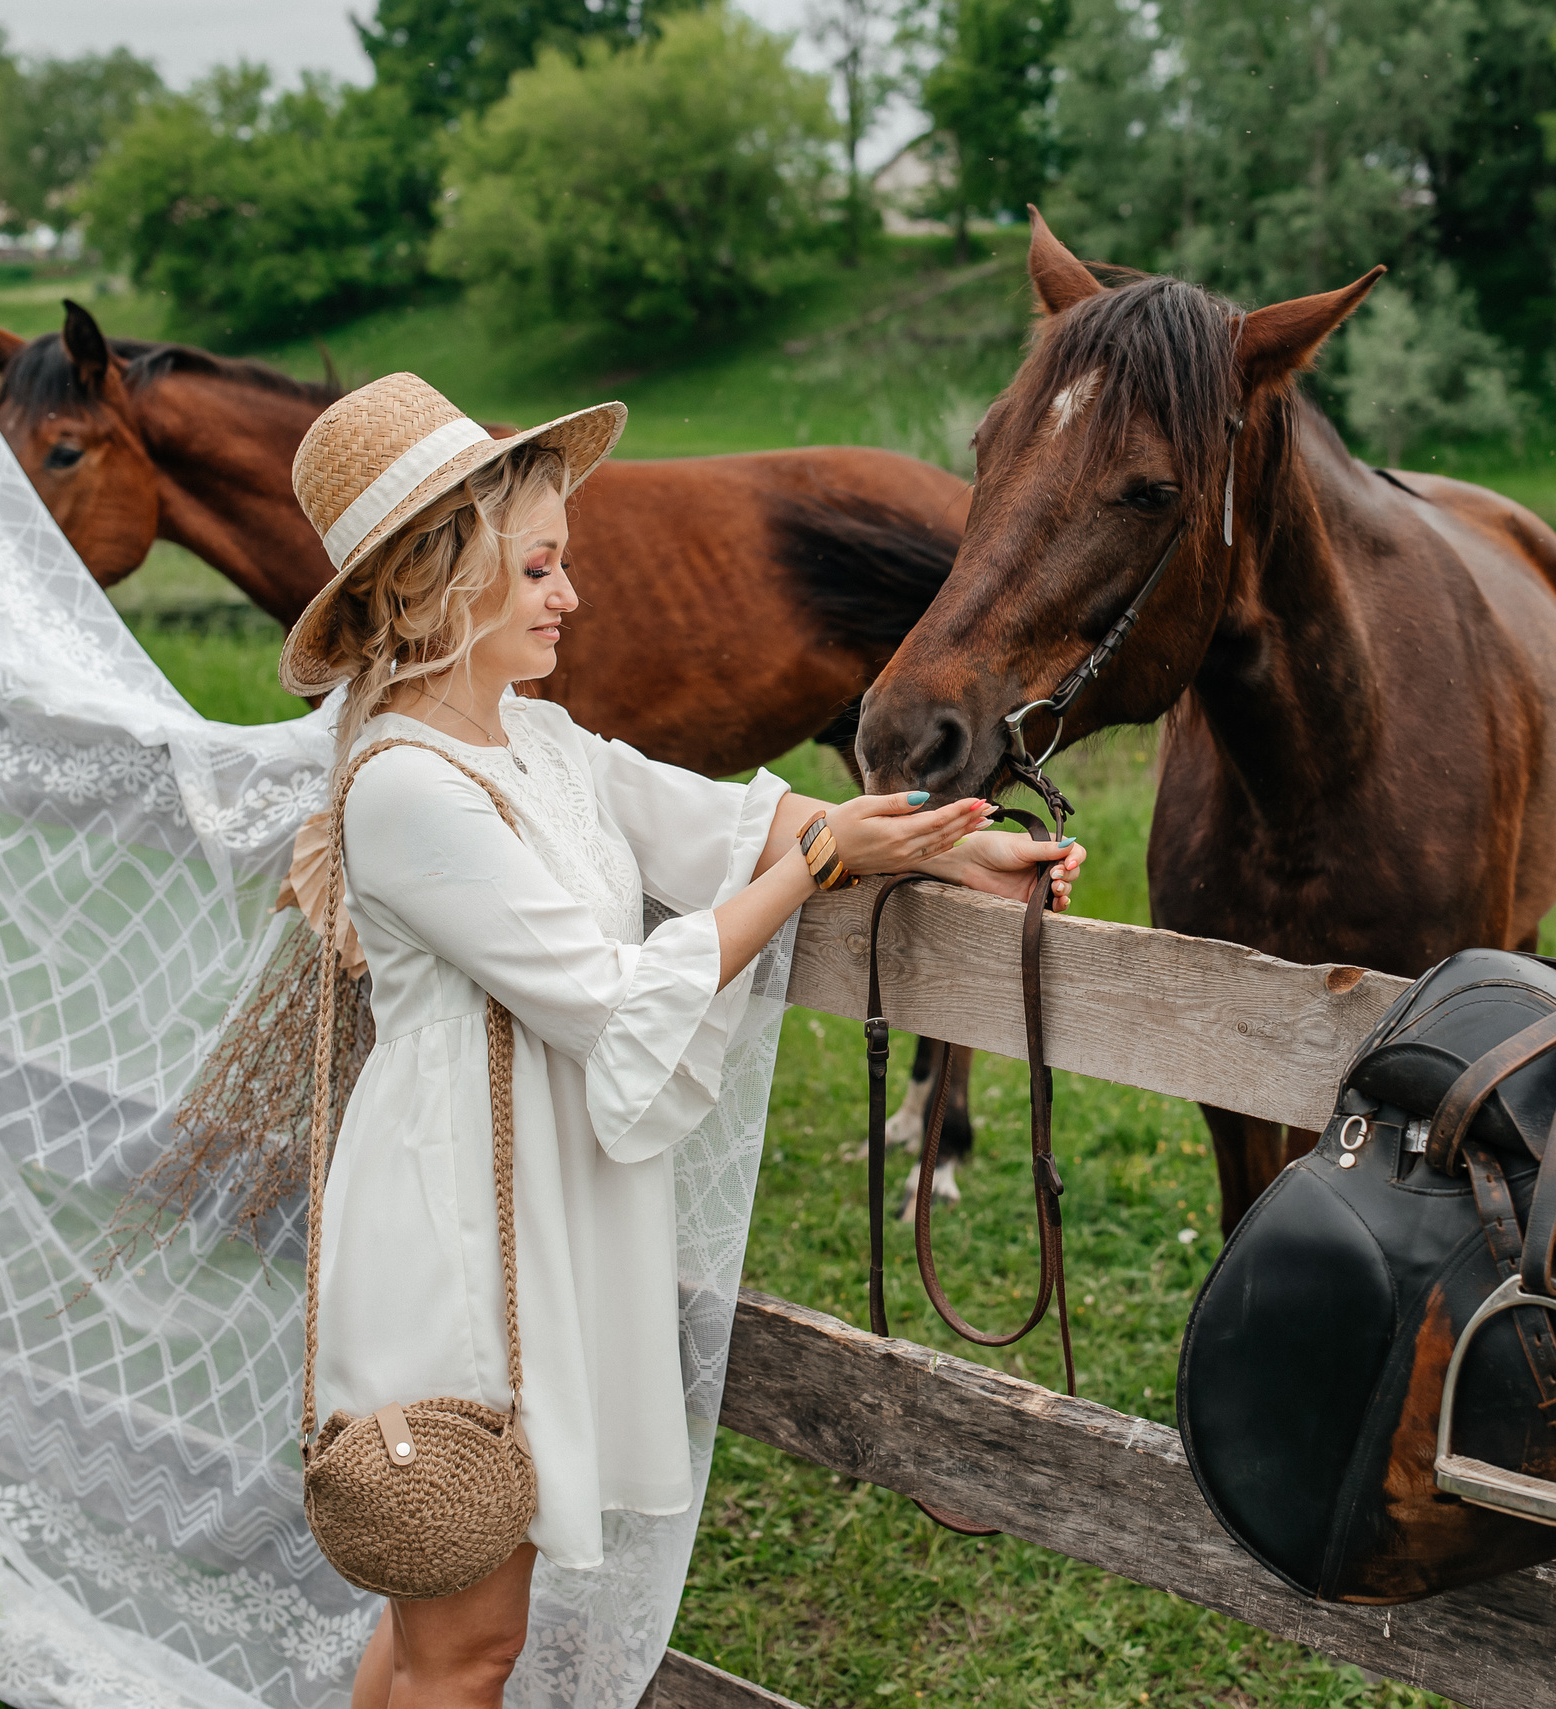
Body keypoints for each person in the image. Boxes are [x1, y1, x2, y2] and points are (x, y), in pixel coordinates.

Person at [278, 374, 1087, 1709]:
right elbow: (609, 999)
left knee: (452, 1623)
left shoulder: (536, 741)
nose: (570, 594)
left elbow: (728, 823)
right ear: (442, 577)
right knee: (463, 1641)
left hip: (539, 1207)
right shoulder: (406, 787)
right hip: (457, 1230)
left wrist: (952, 848)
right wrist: (817, 868)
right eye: (538, 567)